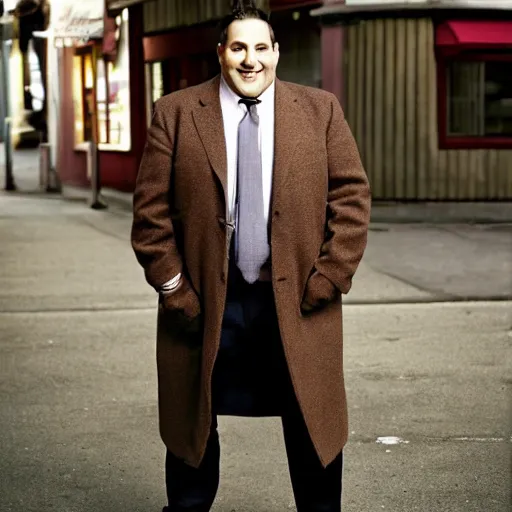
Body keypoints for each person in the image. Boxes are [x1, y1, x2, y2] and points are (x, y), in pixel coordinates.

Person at [131, 1, 371, 510]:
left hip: (299, 305)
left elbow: (352, 198)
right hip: (206, 304)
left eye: (261, 47)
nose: (250, 59)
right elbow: (150, 214)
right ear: (220, 52)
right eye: (239, 47)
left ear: (277, 53)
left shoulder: (319, 109)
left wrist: (330, 276)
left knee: (314, 433)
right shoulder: (175, 112)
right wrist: (175, 289)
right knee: (192, 435)